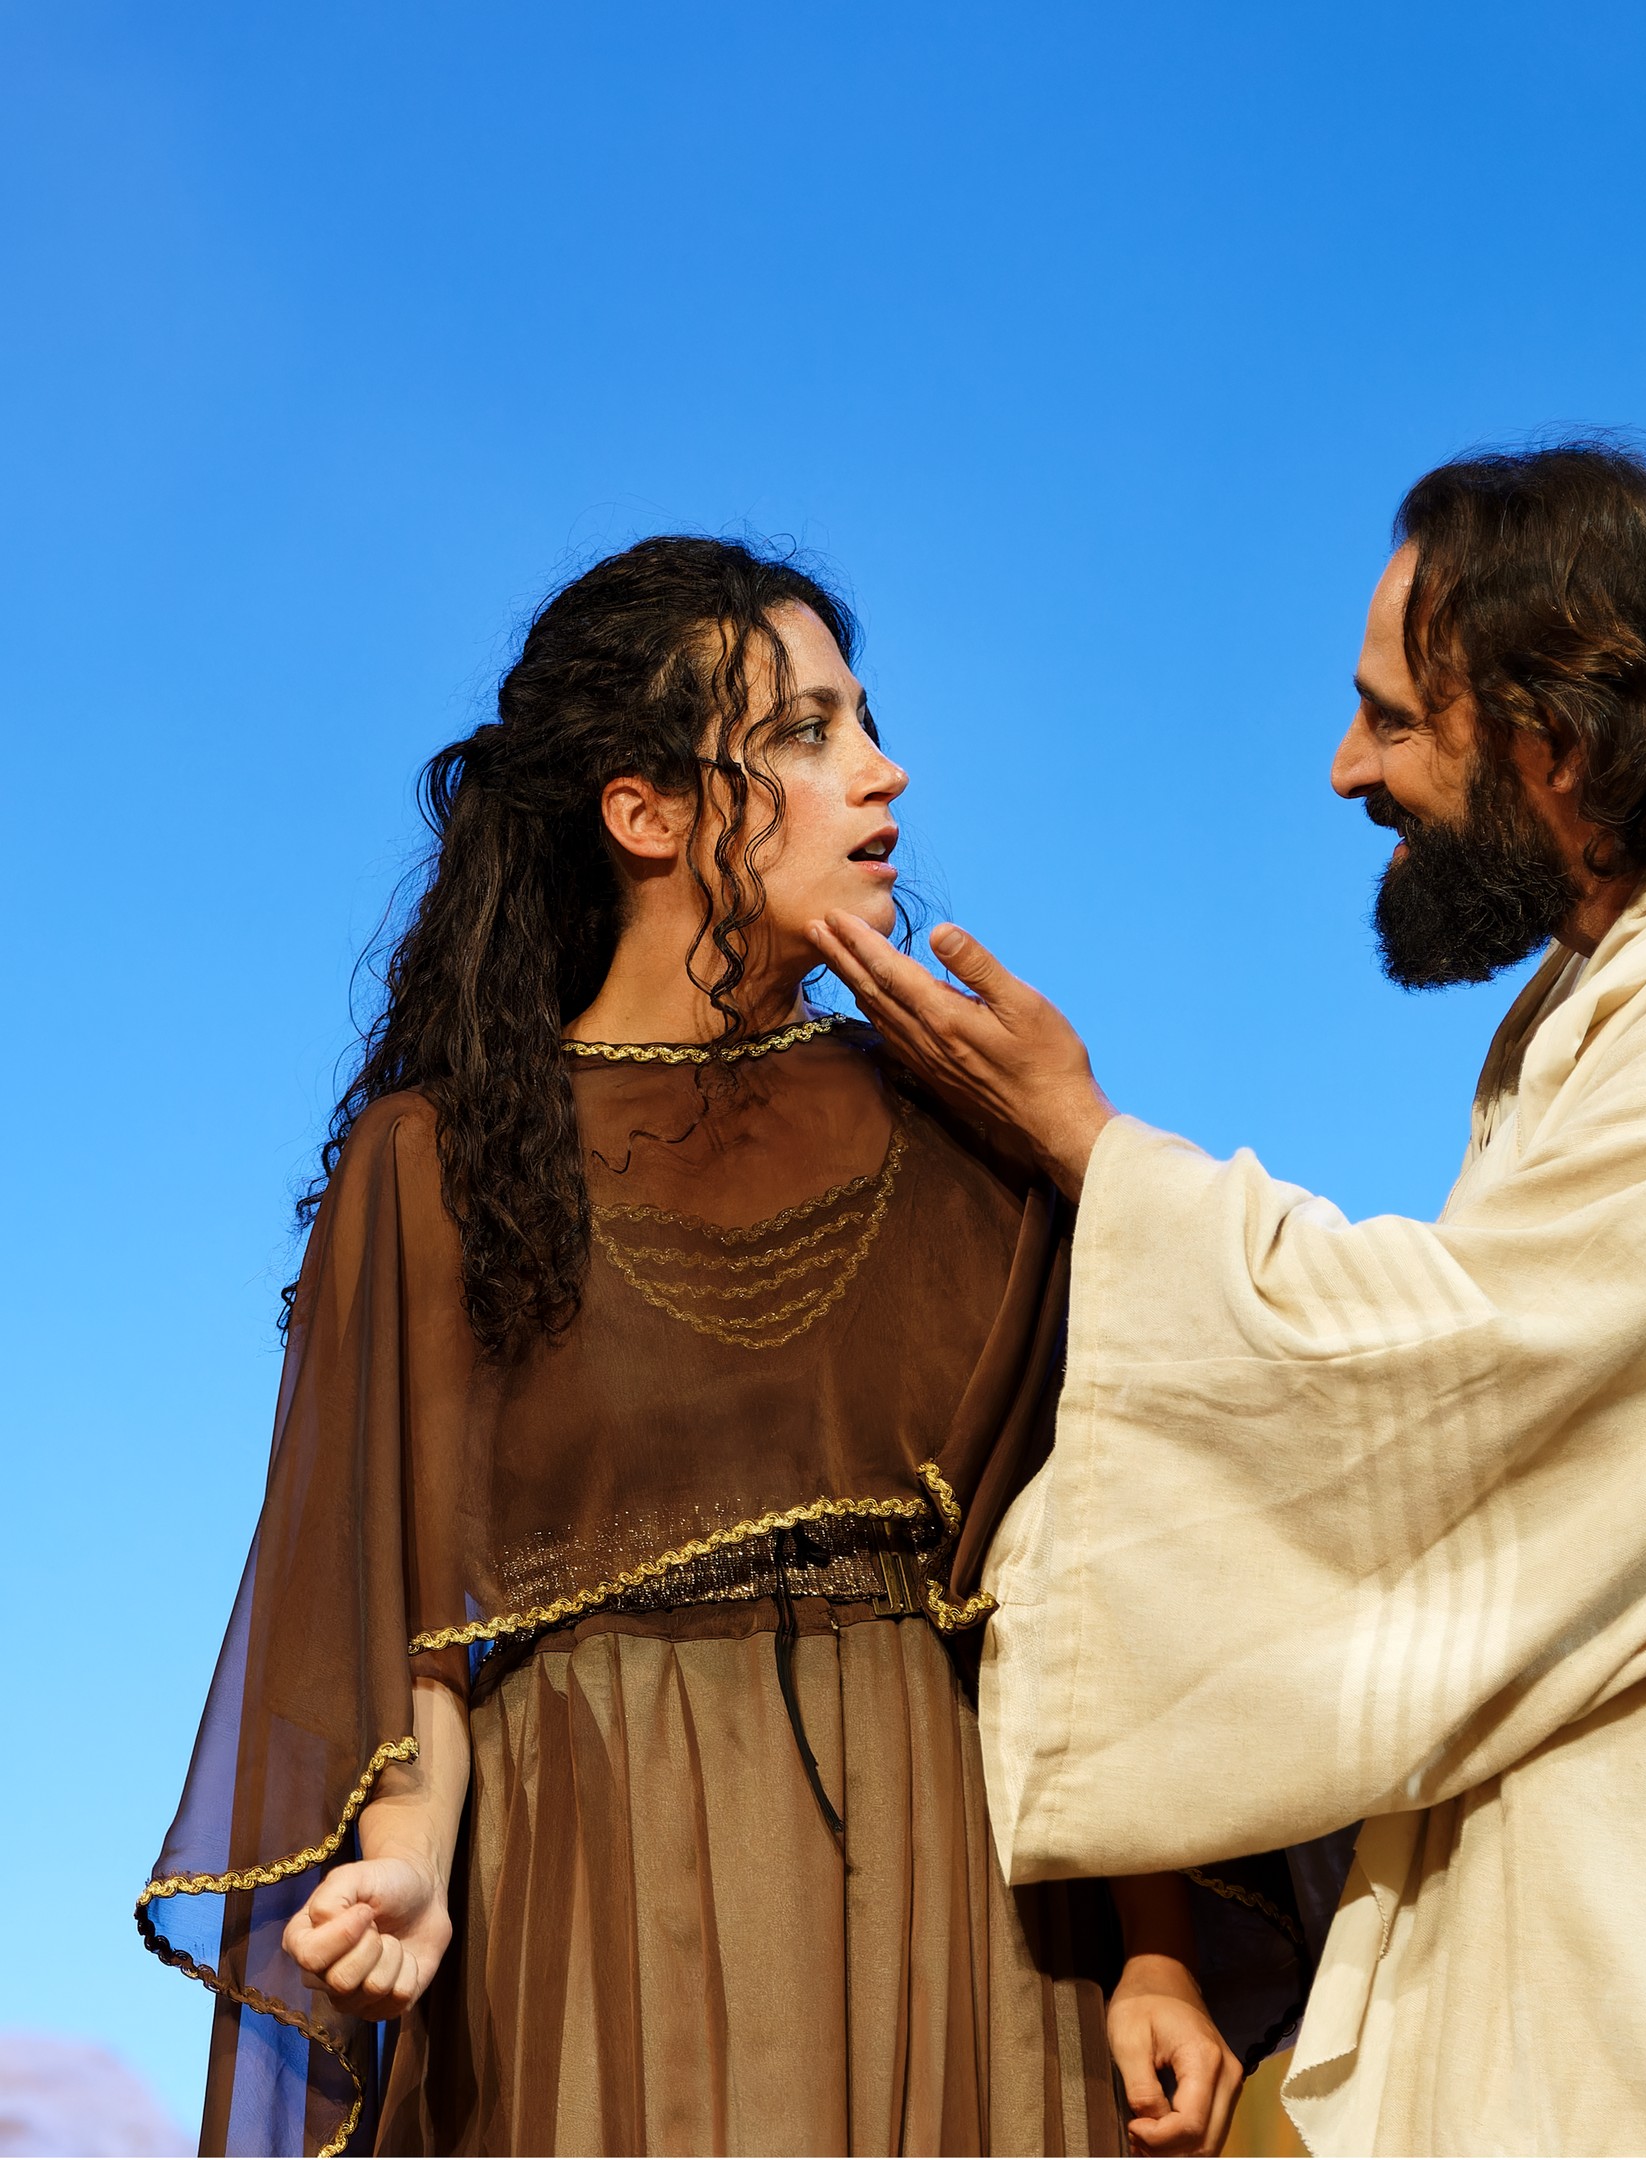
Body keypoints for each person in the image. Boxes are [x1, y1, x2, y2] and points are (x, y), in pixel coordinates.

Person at [809, 441, 1646, 2154]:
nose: (1347, 769)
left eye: (1392, 720)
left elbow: (1436, 1387)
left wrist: (1087, 1148)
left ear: (1558, 743)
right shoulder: (1639, 997)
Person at [136, 537, 1259, 2157]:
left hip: (966, 1899)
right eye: (805, 732)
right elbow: (415, 1622)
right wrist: (408, 1861)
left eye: (863, 722)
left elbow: (1086, 1565)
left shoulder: (964, 1125)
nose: (881, 771)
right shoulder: (437, 1168)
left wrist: (1155, 1949)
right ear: (645, 813)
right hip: (593, 1905)